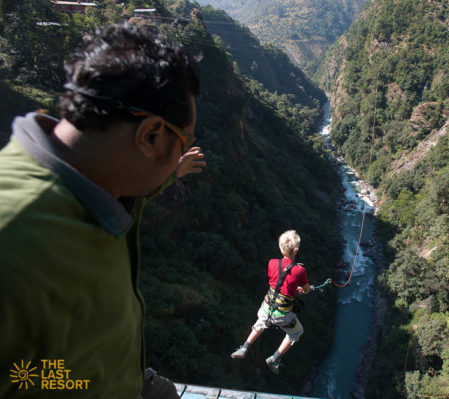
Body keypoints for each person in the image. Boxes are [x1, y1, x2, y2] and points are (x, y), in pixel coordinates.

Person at [0, 23, 205, 398]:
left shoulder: (94, 186)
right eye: (182, 142)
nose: (183, 153)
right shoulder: (13, 235)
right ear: (150, 135)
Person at [231, 230, 311, 374]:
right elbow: (306, 290)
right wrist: (301, 289)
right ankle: (274, 358)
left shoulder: (272, 263)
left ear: (281, 247)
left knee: (261, 323)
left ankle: (244, 346)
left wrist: (291, 287)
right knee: (297, 332)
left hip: (266, 307)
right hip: (282, 315)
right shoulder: (300, 270)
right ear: (296, 250)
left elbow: (278, 282)